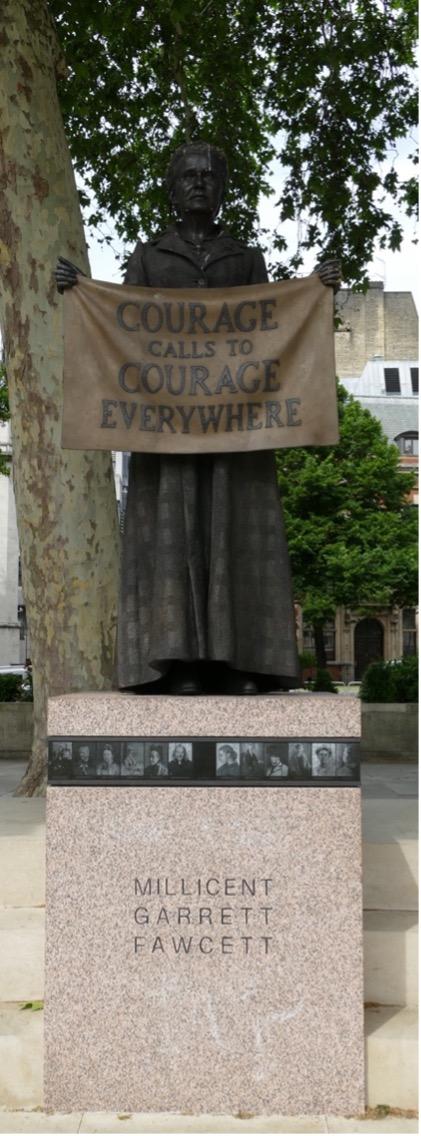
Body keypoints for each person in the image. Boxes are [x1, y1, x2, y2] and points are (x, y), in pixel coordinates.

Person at [55, 141, 340, 695]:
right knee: (172, 539)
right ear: (172, 186)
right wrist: (80, 293)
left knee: (236, 533)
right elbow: (120, 328)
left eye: (210, 176)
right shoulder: (148, 257)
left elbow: (275, 325)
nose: (199, 184)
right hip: (165, 431)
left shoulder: (245, 257)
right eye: (188, 175)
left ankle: (239, 663)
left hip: (240, 427)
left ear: (222, 188)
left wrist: (317, 290)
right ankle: (176, 662)